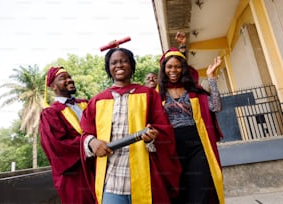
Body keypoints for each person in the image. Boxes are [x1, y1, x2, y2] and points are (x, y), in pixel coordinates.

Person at [80, 47, 182, 204]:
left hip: (145, 174)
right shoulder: (97, 101)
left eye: (124, 61)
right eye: (114, 62)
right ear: (108, 68)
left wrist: (152, 138)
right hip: (111, 178)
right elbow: (86, 133)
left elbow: (164, 128)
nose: (119, 65)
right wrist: (92, 142)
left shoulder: (148, 95)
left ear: (132, 65)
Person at [158, 48, 225, 204]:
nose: (173, 70)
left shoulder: (194, 91)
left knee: (200, 188)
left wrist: (211, 78)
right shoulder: (157, 94)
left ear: (183, 69)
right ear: (164, 69)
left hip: (197, 146)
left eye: (177, 66)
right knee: (177, 191)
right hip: (171, 148)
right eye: (169, 67)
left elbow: (216, 107)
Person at [39, 66, 95, 204]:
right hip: (74, 174)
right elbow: (56, 145)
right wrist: (89, 143)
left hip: (97, 166)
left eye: (69, 77)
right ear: (53, 86)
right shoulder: (50, 113)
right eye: (62, 78)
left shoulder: (85, 104)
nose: (69, 80)